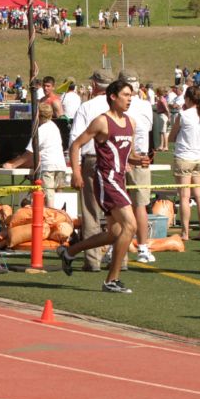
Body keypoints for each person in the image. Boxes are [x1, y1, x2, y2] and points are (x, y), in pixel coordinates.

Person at [58, 79, 151, 293]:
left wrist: (139, 161)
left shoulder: (131, 122)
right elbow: (76, 145)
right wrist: (77, 173)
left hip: (119, 179)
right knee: (131, 226)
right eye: (126, 95)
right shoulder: (101, 122)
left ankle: (70, 252)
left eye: (131, 95)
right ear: (113, 97)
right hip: (106, 180)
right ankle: (111, 280)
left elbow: (128, 155)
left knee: (114, 233)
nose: (130, 99)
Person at [68, 69, 114, 272]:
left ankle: (93, 259)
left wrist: (75, 170)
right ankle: (119, 258)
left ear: (94, 85)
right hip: (115, 161)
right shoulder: (118, 108)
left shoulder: (87, 107)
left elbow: (74, 140)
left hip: (93, 159)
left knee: (90, 211)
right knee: (117, 213)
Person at [121, 69, 156, 263]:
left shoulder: (127, 105)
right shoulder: (145, 105)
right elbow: (147, 129)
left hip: (126, 157)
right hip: (139, 156)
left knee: (121, 205)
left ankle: (121, 246)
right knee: (139, 204)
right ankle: (141, 246)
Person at [2, 103, 67, 209]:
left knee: (49, 204)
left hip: (48, 168)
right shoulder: (54, 127)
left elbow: (29, 153)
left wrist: (12, 164)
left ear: (38, 115)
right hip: (60, 166)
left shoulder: (41, 130)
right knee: (55, 199)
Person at [169, 86, 200, 240]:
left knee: (184, 196)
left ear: (187, 99)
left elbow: (172, 136)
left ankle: (185, 232)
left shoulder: (183, 115)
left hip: (184, 157)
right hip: (199, 157)